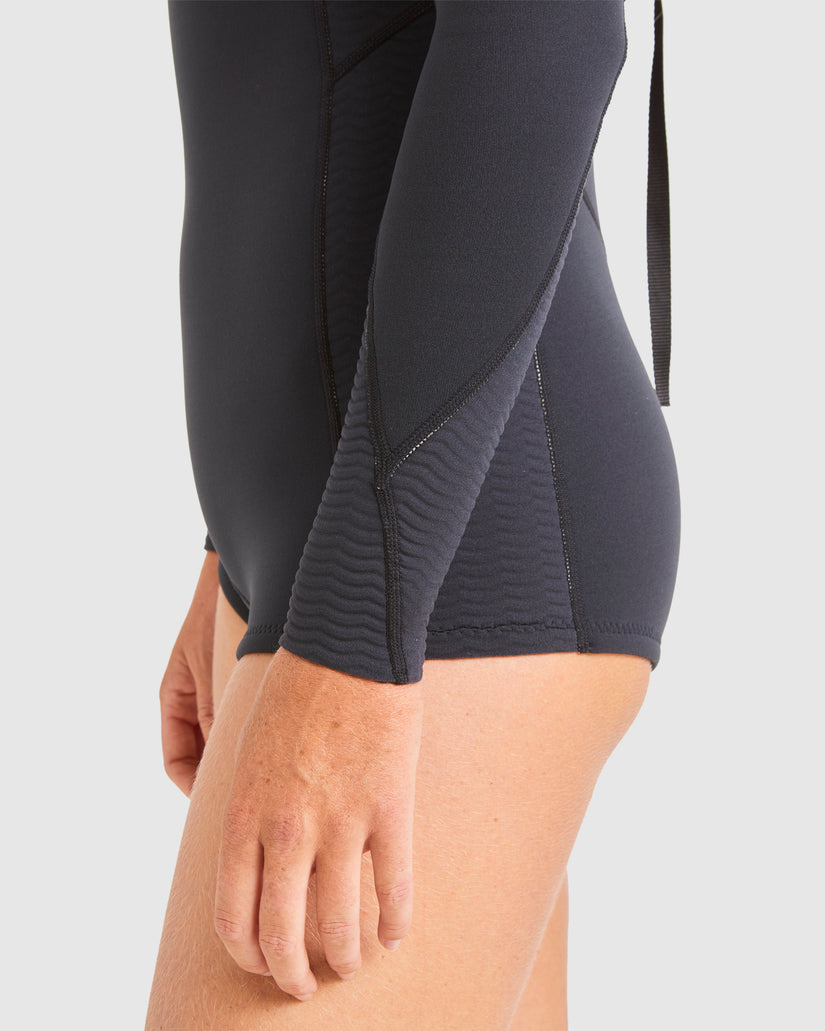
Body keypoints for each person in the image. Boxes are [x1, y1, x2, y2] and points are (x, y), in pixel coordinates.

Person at [145, 1, 680, 1028]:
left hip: (448, 555)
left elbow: (547, 35)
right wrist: (236, 544)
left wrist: (356, 624)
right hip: (345, 537)